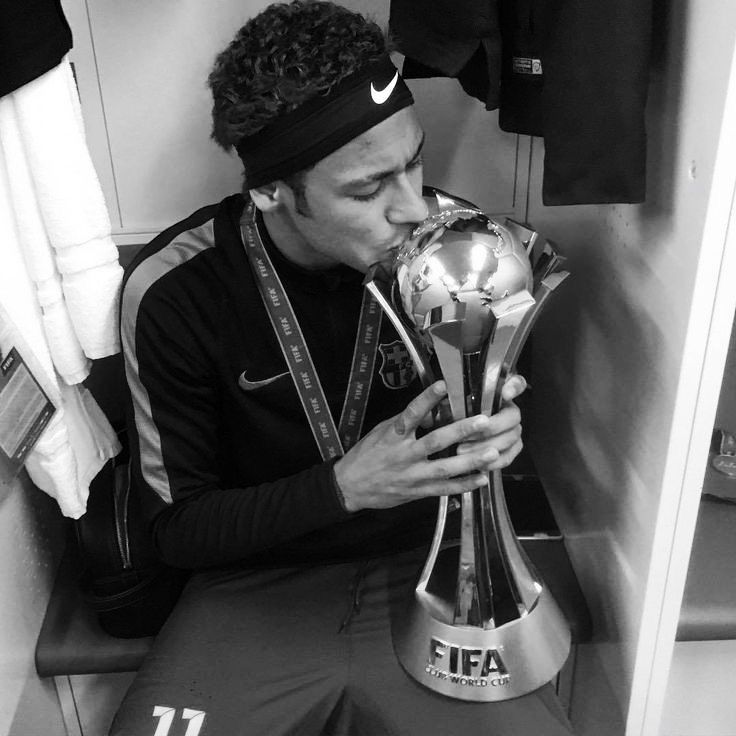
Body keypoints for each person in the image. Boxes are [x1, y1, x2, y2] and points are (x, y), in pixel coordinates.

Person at [110, 2, 574, 734]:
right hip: (251, 589)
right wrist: (345, 487)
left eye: (415, 160)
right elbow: (179, 529)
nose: (413, 207)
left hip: (434, 567)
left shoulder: (460, 251)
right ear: (270, 193)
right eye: (366, 190)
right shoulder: (174, 291)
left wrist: (493, 429)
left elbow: (490, 429)